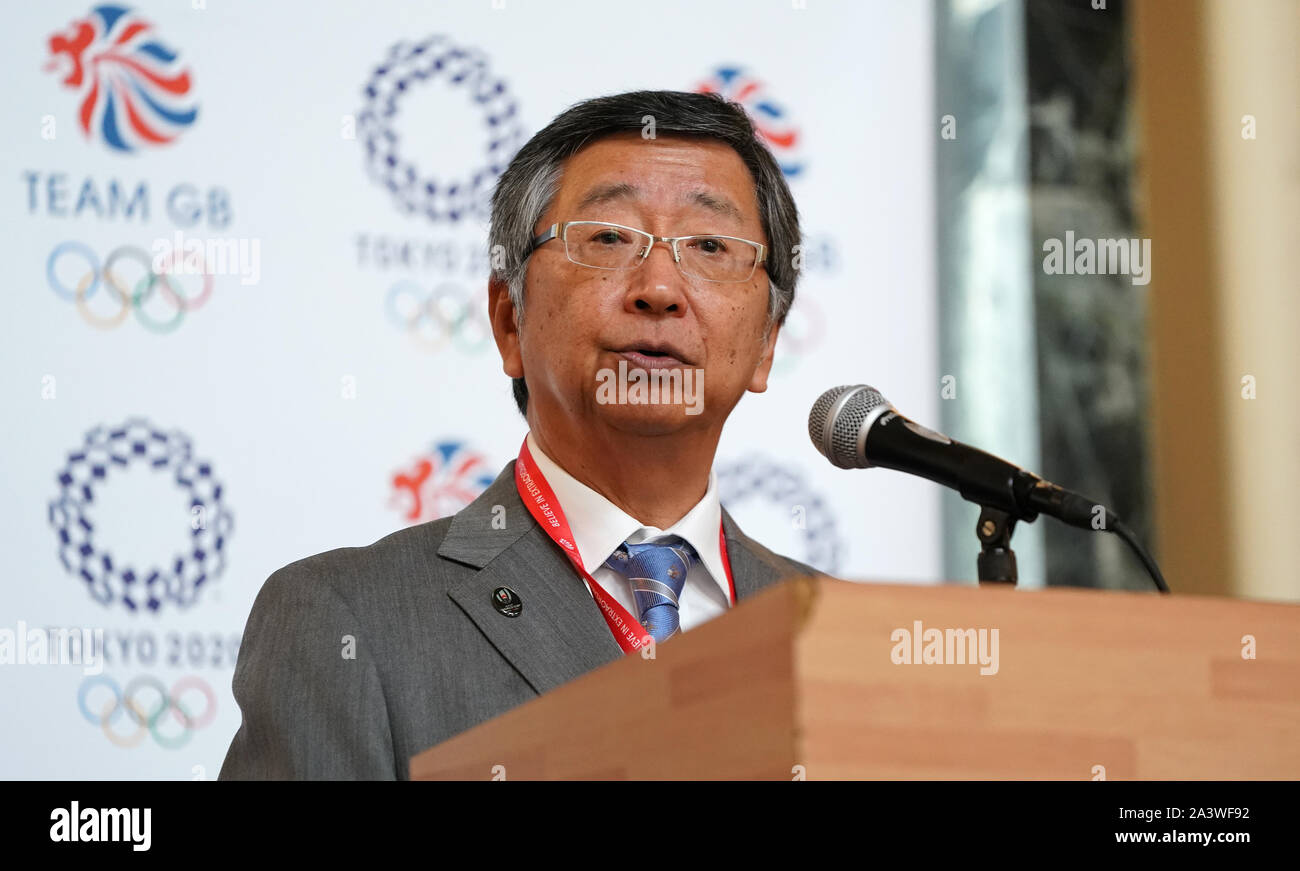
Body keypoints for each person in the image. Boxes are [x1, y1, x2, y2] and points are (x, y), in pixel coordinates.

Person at [220, 90, 821, 780]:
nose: (659, 286)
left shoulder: (843, 640)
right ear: (509, 319)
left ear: (768, 343)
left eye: (710, 245)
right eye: (608, 237)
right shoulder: (349, 619)